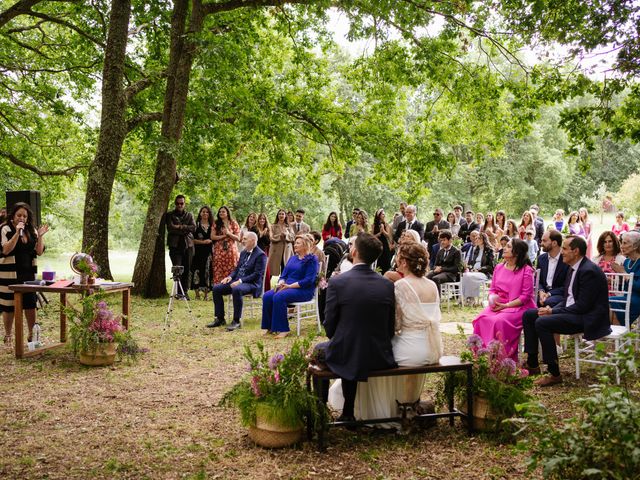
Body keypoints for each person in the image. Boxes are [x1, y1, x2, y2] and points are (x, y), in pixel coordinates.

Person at [315, 233, 396, 424]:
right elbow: (389, 326)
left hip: (349, 352)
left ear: (354, 252)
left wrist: (340, 338)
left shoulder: (338, 282)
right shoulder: (387, 284)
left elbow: (330, 325)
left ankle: (321, 411)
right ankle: (348, 411)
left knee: (321, 350)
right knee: (352, 346)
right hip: (379, 353)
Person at [522, 236, 611, 386]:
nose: (561, 252)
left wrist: (553, 312)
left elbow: (582, 306)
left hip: (587, 318)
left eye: (564, 249)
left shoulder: (589, 271)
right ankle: (532, 364)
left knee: (543, 322)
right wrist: (551, 308)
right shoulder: (574, 267)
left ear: (575, 251)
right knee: (530, 314)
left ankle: (554, 373)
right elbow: (569, 299)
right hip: (573, 312)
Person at [472, 238, 536, 361]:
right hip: (498, 305)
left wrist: (506, 305)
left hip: (519, 307)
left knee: (498, 321)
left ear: (516, 253)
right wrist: (492, 299)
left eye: (508, 246)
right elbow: (493, 289)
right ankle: (482, 356)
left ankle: (502, 359)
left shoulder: (526, 270)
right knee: (481, 319)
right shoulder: (499, 267)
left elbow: (525, 296)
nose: (504, 248)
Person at [1, 202, 49, 346]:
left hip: (28, 275)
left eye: (24, 216)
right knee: (9, 306)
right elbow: (5, 250)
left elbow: (39, 251)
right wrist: (17, 232)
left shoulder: (31, 230)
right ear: (13, 216)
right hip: (9, 274)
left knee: (30, 304)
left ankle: (31, 335)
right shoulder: (5, 229)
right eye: (19, 215)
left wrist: (40, 236)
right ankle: (8, 336)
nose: (22, 218)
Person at [261, 235, 318, 338]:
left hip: (303, 289)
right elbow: (284, 275)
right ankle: (269, 327)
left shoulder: (312, 259)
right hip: (286, 287)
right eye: (295, 243)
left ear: (305, 245)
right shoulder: (293, 258)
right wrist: (281, 282)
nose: (295, 245)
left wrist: (290, 286)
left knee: (279, 296)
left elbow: (309, 280)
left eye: (298, 243)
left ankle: (283, 329)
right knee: (267, 296)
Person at [208, 232, 267, 331]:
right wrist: (229, 277)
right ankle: (220, 318)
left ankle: (236, 321)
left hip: (252, 284)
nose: (242, 241)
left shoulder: (261, 255)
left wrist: (240, 281)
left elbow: (257, 275)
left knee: (236, 289)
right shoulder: (244, 252)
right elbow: (237, 269)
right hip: (237, 281)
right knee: (216, 288)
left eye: (245, 239)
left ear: (252, 240)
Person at [166, 195, 196, 295]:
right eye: (178, 203)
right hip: (175, 246)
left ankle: (185, 292)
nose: (179, 205)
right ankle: (178, 292)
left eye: (181, 203)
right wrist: (185, 229)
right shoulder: (170, 215)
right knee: (177, 269)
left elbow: (193, 228)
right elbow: (170, 228)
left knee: (187, 270)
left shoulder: (189, 215)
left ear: (184, 204)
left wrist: (179, 227)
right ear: (175, 203)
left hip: (188, 246)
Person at [609, 231, 640, 326]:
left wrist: (623, 272)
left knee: (609, 302)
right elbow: (625, 285)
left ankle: (616, 332)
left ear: (635, 246)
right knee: (603, 300)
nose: (621, 246)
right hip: (626, 297)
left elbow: (638, 287)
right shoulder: (626, 262)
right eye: (621, 242)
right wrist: (611, 281)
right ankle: (615, 332)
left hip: (637, 299)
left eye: (625, 243)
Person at [537, 230, 570, 308]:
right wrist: (541, 291)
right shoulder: (541, 258)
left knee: (548, 302)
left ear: (554, 243)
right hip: (543, 293)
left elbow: (567, 285)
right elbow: (538, 279)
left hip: (558, 294)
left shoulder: (566, 259)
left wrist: (549, 294)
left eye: (544, 241)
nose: (541, 244)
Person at [460, 232, 495, 303]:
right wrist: (469, 267)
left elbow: (491, 266)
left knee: (470, 276)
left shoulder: (489, 250)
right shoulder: (476, 250)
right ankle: (466, 297)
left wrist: (479, 269)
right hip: (474, 272)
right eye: (476, 238)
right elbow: (472, 263)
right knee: (465, 275)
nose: (477, 240)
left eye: (479, 238)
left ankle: (470, 298)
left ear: (484, 239)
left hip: (485, 273)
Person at [211, 206, 241, 285]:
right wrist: (223, 236)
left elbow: (238, 238)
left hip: (231, 250)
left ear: (227, 213)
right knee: (218, 269)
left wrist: (228, 233)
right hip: (219, 250)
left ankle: (231, 290)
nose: (221, 213)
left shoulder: (233, 223)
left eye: (223, 211)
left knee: (232, 268)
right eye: (220, 212)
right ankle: (218, 289)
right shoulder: (216, 223)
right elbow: (212, 237)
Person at [191, 206, 213, 300]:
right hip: (197, 252)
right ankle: (197, 295)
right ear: (200, 213)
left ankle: (206, 295)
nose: (205, 214)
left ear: (209, 214)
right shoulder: (196, 225)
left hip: (208, 253)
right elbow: (192, 240)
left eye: (207, 212)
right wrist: (203, 242)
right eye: (203, 212)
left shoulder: (212, 226)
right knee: (196, 271)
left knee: (207, 272)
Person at [268, 209, 295, 279]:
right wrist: (280, 236)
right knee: (271, 270)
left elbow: (293, 237)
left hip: (286, 251)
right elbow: (271, 237)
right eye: (279, 214)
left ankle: (281, 287)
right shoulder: (273, 226)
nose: (281, 215)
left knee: (285, 269)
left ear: (285, 216)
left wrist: (286, 235)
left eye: (283, 214)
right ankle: (266, 286)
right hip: (275, 251)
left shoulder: (289, 226)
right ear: (277, 216)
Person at [372, 208, 393, 273]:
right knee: (378, 262)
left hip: (385, 245)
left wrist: (383, 231)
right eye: (382, 214)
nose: (384, 216)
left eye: (384, 214)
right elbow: (372, 236)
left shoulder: (386, 224)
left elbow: (389, 237)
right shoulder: (374, 225)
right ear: (378, 215)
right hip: (376, 245)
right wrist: (379, 233)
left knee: (386, 262)